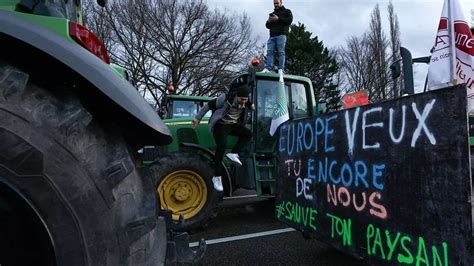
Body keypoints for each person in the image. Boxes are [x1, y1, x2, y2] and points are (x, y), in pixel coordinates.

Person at [192, 80, 253, 192]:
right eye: (242, 100)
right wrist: (197, 118)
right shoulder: (225, 99)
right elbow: (208, 106)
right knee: (221, 146)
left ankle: (234, 153)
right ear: (237, 96)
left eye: (246, 100)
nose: (243, 102)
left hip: (232, 125)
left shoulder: (247, 101)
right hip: (220, 125)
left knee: (248, 134)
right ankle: (217, 177)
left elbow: (252, 108)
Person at [262, 0, 293, 74]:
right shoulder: (273, 14)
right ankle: (268, 68)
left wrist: (278, 19)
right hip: (272, 36)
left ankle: (281, 69)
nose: (275, 5)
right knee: (269, 52)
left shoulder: (287, 11)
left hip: (281, 35)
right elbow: (267, 26)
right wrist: (269, 21)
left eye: (277, 3)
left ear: (281, 2)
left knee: (281, 52)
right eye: (274, 3)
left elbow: (289, 21)